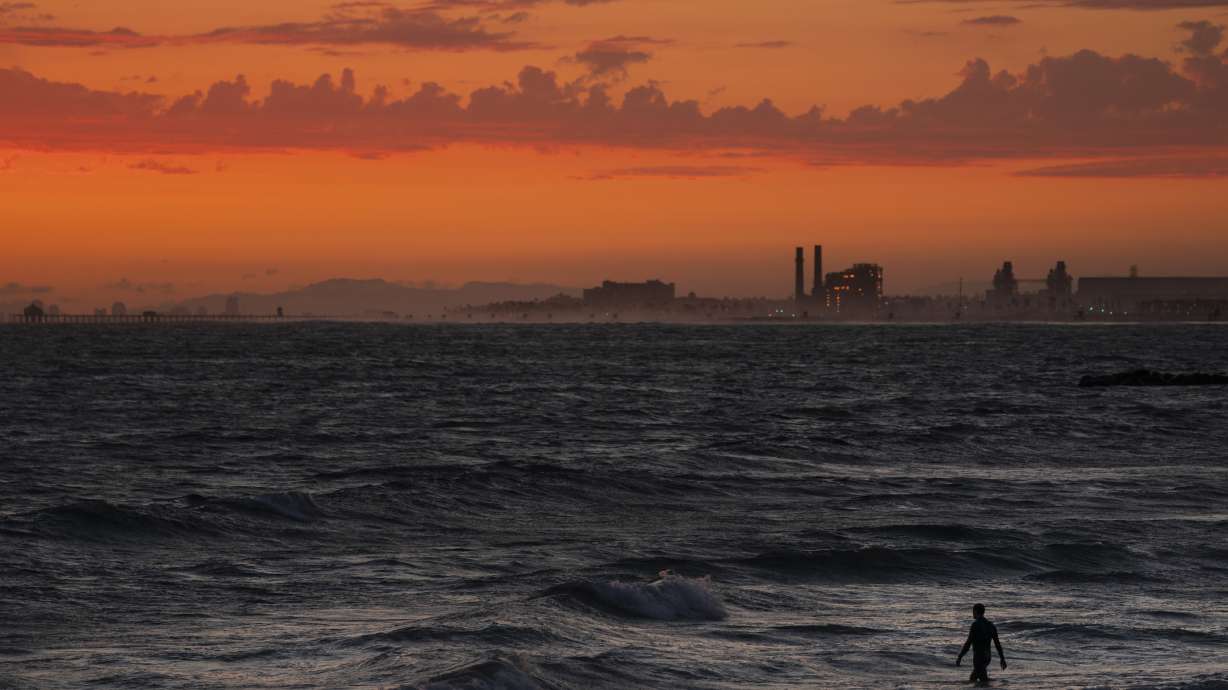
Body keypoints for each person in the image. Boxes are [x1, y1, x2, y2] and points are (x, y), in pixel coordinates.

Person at [956, 603, 1006, 685]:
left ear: (975, 611)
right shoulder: (991, 625)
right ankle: (999, 683)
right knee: (975, 679)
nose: (972, 613)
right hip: (987, 657)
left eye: (973, 611)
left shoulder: (975, 624)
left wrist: (960, 656)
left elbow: (968, 642)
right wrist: (1002, 659)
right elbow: (997, 644)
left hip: (979, 657)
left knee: (981, 680)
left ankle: (998, 684)